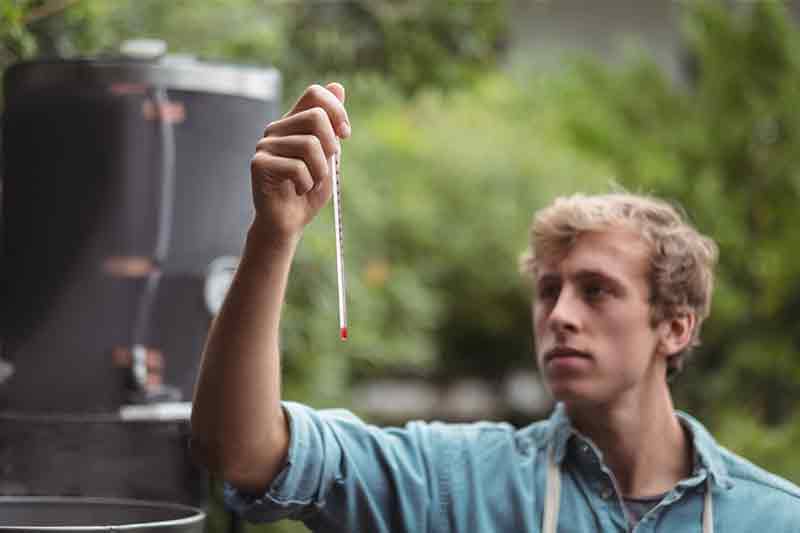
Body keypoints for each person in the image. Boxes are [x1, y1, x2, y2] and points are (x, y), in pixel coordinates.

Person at [190, 83, 800, 532]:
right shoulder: (459, 482)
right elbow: (244, 452)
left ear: (674, 326)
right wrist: (274, 234)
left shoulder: (774, 516)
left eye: (596, 290)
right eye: (547, 290)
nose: (560, 314)